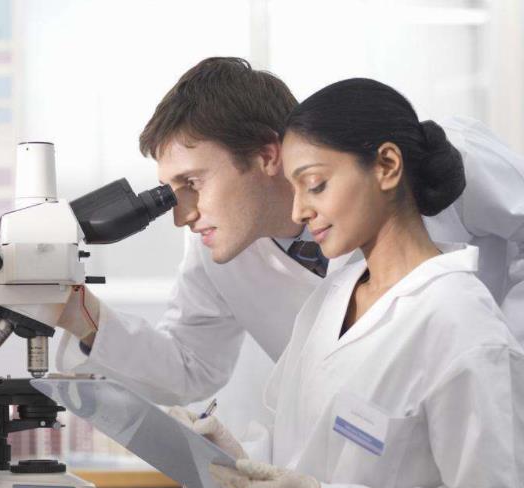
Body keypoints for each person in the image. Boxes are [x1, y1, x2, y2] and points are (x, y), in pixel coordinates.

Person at [51, 57, 524, 411]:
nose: (183, 216)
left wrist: (499, 358)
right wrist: (81, 315)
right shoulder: (216, 249)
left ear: (266, 155)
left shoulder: (433, 158)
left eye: (193, 182)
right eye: (172, 192)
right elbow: (191, 366)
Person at [192, 78, 523, 488]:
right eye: (294, 189)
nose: (298, 211)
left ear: (387, 166)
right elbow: (308, 447)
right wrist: (235, 460)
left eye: (315, 184)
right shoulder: (333, 298)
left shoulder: (462, 324)